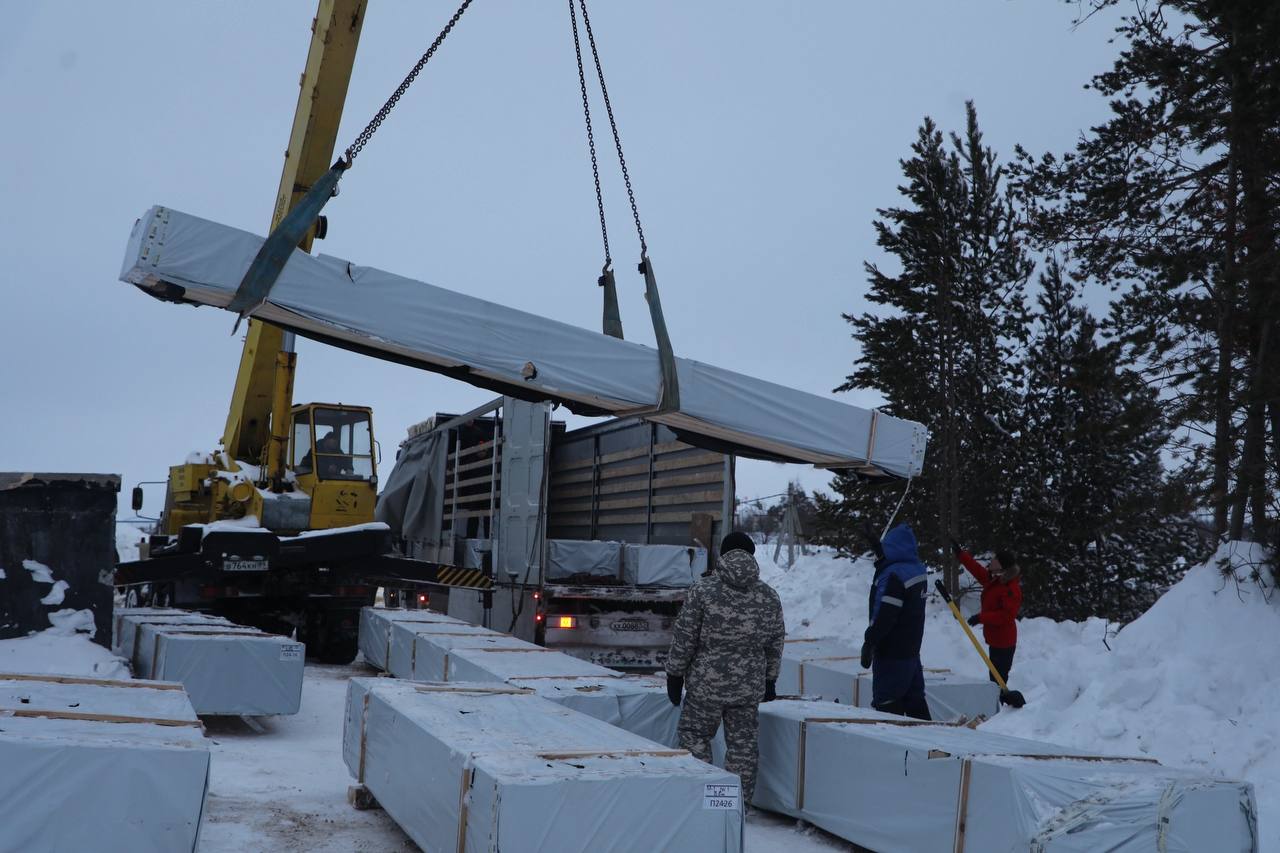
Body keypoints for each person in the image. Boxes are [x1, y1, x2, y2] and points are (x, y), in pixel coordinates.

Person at [665, 531, 784, 806]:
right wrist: (770, 679)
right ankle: (736, 807)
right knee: (743, 747)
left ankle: (697, 801)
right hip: (747, 688)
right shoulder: (768, 596)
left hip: (706, 686)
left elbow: (685, 636)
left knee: (695, 738)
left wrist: (674, 673)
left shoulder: (703, 590)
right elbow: (775, 641)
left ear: (724, 555)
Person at [859, 523, 930, 720]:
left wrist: (870, 641)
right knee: (914, 700)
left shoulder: (893, 576)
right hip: (911, 650)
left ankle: (894, 746)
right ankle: (933, 743)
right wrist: (877, 546)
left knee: (887, 701)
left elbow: (886, 616)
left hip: (891, 652)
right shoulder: (917, 569)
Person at [952, 539, 1022, 684]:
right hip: (995, 640)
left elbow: (1006, 616)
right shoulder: (996, 580)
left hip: (1004, 643)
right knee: (994, 678)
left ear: (1001, 565)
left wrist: (981, 617)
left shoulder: (1010, 588)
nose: (992, 560)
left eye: (996, 559)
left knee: (998, 681)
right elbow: (977, 570)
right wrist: (961, 554)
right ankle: (998, 702)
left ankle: (1002, 703)